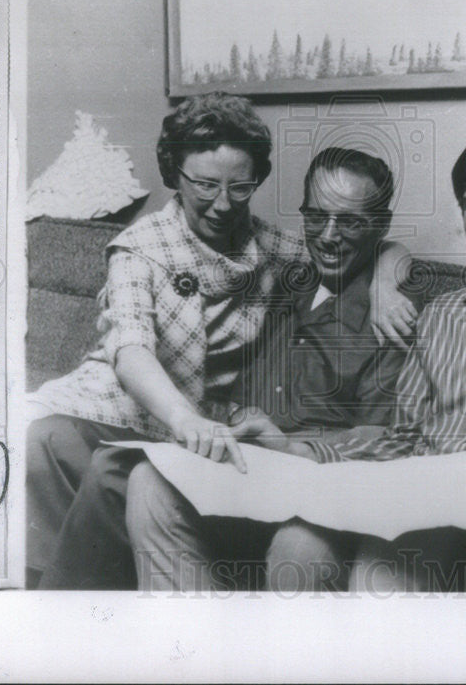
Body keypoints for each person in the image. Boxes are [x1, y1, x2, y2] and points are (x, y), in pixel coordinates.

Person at [25, 93, 416, 589]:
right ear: (176, 174)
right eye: (206, 184)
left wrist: (387, 274)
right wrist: (188, 420)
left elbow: (356, 244)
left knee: (113, 471)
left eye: (240, 187)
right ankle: (46, 604)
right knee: (44, 438)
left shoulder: (276, 252)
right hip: (133, 407)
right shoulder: (140, 246)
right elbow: (130, 349)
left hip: (205, 435)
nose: (223, 202)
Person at [206, 128, 466, 591]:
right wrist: (296, 449)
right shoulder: (442, 314)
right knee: (298, 549)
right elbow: (401, 437)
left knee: (381, 573)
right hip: (407, 498)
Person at [125, 147, 411, 592]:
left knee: (299, 549)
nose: (329, 235)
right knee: (148, 482)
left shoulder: (394, 313)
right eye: (317, 217)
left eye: (350, 222)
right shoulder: (284, 284)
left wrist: (288, 445)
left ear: (382, 226)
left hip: (326, 494)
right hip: (250, 475)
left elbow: (389, 439)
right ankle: (186, 648)